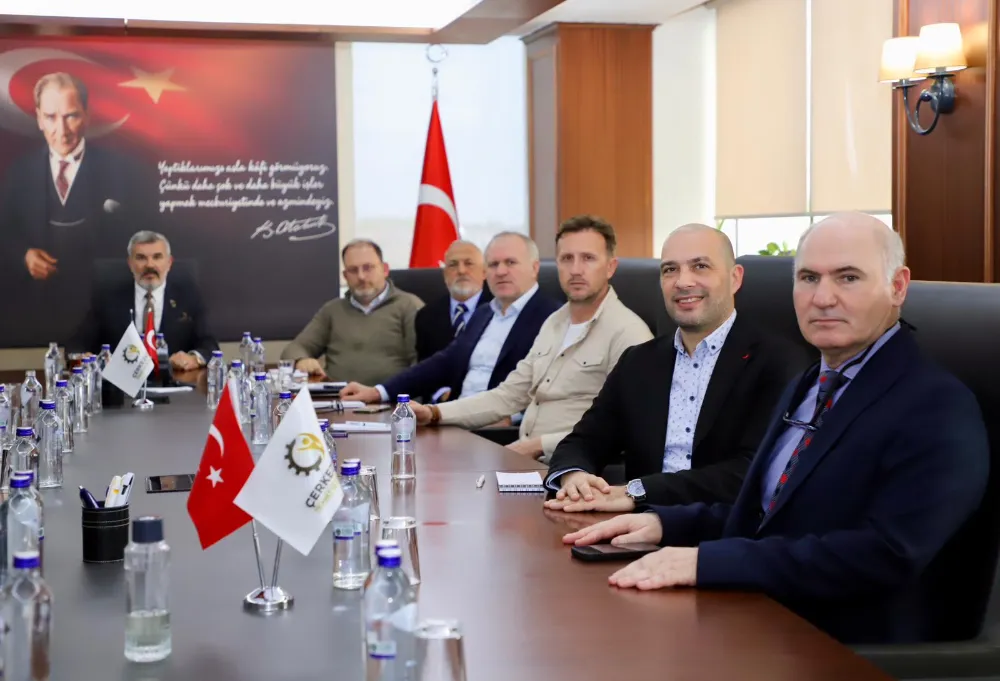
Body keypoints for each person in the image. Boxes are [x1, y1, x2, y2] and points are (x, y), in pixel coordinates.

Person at [563, 212, 989, 645]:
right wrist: (664, 523)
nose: (822, 297)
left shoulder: (935, 406)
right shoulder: (809, 385)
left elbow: (885, 555)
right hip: (758, 614)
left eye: (848, 278)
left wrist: (706, 562)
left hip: (841, 645)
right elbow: (772, 516)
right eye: (808, 278)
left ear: (897, 286)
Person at [544, 224, 811, 511]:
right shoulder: (638, 361)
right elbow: (584, 440)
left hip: (720, 527)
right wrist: (575, 476)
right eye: (670, 270)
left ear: (735, 278)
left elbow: (750, 471)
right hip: (631, 522)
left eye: (700, 266)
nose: (683, 282)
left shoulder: (778, 362)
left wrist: (638, 491)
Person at [411, 216, 653, 462]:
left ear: (611, 267)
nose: (575, 269)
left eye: (588, 258)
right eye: (566, 259)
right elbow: (509, 395)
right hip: (524, 460)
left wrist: (538, 445)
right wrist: (433, 413)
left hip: (577, 468)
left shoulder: (629, 333)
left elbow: (624, 426)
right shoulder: (554, 322)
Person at [0, 72, 153, 346]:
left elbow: (143, 239)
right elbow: (4, 233)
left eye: (71, 116)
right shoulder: (18, 172)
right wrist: (23, 256)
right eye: (50, 117)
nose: (62, 129)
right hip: (34, 319)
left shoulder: (122, 170)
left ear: (87, 115)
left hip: (102, 318)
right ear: (39, 118)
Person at [341, 233, 560, 405]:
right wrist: (378, 392)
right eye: (493, 264)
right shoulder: (485, 313)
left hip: (503, 429)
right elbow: (443, 363)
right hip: (457, 418)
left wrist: (514, 418)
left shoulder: (553, 317)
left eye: (510, 263)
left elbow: (555, 388)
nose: (501, 271)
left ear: (534, 268)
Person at [280, 239, 424, 386]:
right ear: (345, 276)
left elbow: (422, 363)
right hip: (338, 397)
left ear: (385, 269)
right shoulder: (332, 310)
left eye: (368, 268)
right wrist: (302, 360)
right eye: (353, 270)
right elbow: (294, 349)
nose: (361, 276)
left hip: (389, 397)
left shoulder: (409, 306)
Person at [68, 230, 219, 369]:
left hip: (175, 381)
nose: (149, 265)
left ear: (169, 263)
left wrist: (194, 358)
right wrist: (81, 357)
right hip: (121, 383)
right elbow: (76, 344)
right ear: (130, 263)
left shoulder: (188, 296)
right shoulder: (108, 298)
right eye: (141, 258)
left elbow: (209, 345)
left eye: (157, 257)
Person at [413, 240, 493, 361]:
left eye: (469, 263)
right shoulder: (426, 317)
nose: (461, 270)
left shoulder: (501, 309)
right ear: (445, 275)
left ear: (484, 272)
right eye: (453, 265)